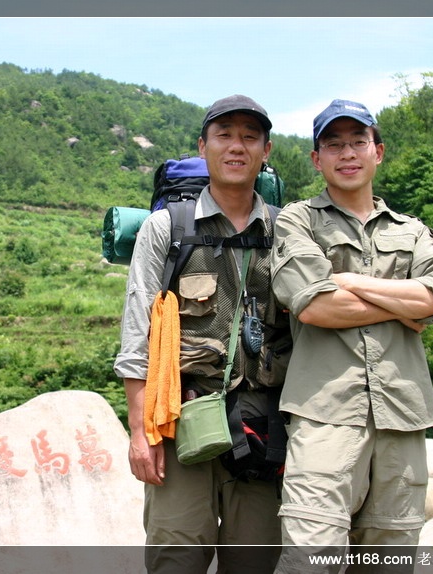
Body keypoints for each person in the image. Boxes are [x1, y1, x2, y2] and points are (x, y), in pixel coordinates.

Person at [270, 99, 433, 572]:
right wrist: (403, 306)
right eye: (334, 145)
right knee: (310, 559)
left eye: (358, 142)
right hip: (324, 413)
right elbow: (316, 305)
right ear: (317, 159)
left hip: (403, 416)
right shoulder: (297, 220)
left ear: (378, 152)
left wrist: (349, 280)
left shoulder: (412, 231)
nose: (347, 153)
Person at [114, 94, 288, 574]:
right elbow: (137, 337)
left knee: (255, 563)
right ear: (202, 146)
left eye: (249, 137)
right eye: (224, 135)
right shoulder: (166, 228)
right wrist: (140, 434)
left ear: (266, 150)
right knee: (176, 559)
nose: (236, 146)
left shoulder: (287, 231)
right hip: (180, 422)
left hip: (261, 427)